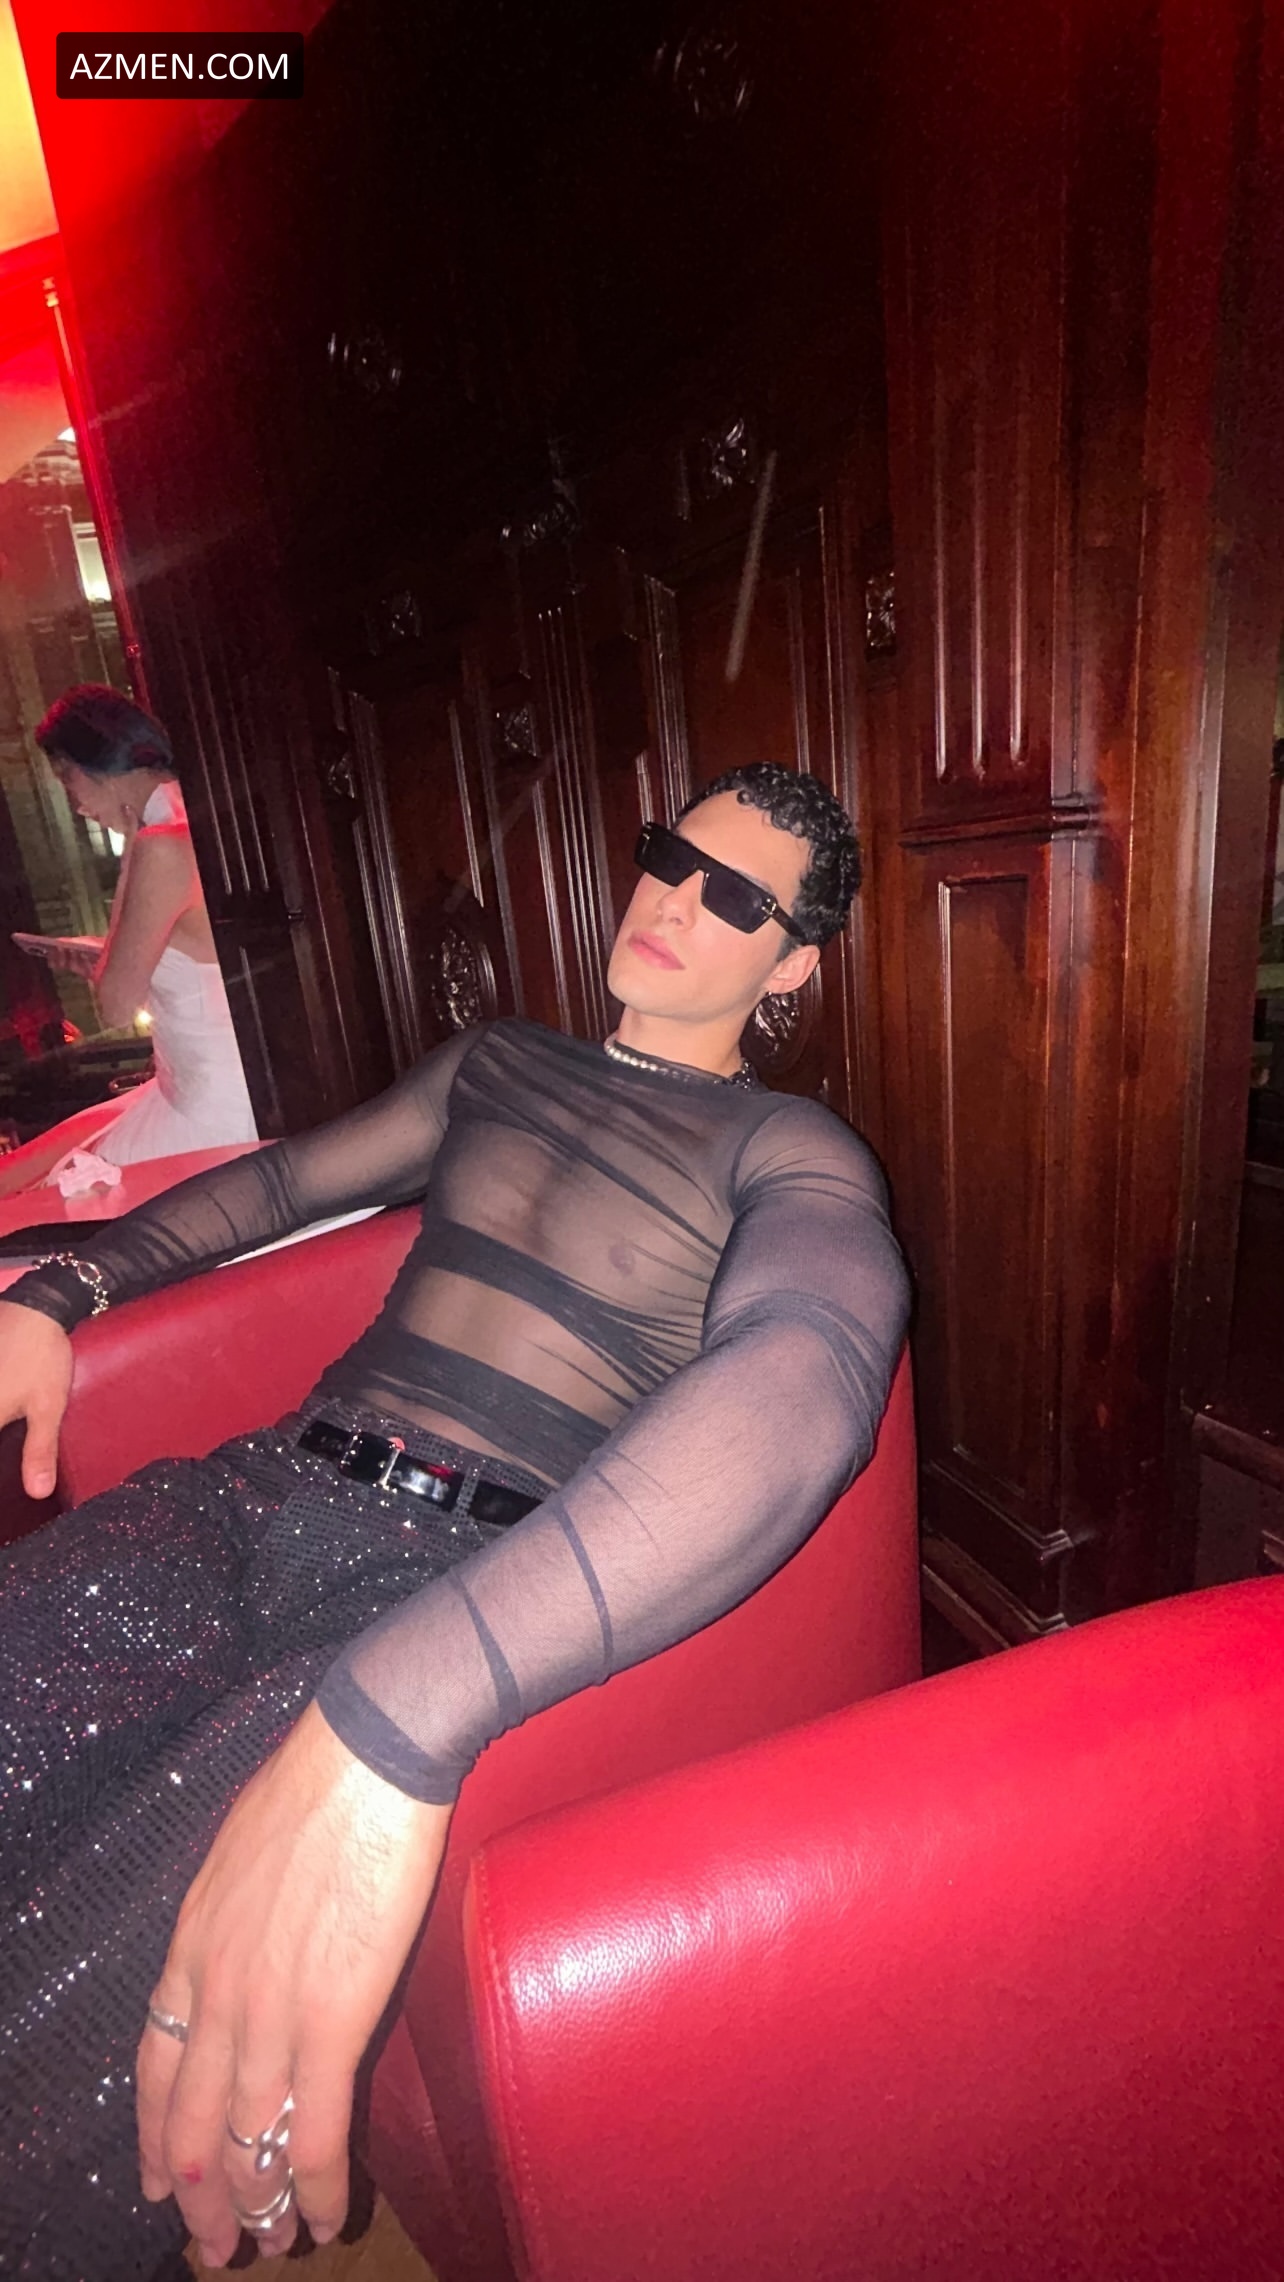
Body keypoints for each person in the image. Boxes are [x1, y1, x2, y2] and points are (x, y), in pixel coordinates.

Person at [0, 764, 910, 2281]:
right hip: (256, 1489)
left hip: (443, 1581)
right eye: (668, 857)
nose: (676, 900)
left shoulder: (790, 1151)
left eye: (736, 896)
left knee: (99, 1973)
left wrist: (397, 1706)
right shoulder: (501, 1060)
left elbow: (809, 1376)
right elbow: (281, 1184)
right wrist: (59, 1288)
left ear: (792, 964)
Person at [0, 685, 257, 1195]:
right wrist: (101, 957)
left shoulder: (158, 844)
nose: (76, 805)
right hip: (191, 1084)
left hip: (207, 1109)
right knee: (35, 1163)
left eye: (68, 778)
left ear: (102, 761)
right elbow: (185, 951)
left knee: (51, 1191)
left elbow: (115, 1006)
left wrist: (132, 848)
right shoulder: (187, 818)